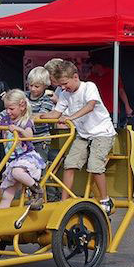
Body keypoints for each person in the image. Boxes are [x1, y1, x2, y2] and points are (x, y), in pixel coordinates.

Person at [40, 61, 116, 215]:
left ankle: (105, 199)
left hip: (102, 132)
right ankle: (64, 202)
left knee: (95, 165)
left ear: (75, 77)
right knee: (70, 164)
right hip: (83, 134)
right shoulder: (65, 94)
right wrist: (36, 116)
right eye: (60, 85)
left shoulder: (89, 87)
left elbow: (90, 106)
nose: (62, 87)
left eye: (65, 83)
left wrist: (70, 117)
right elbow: (55, 114)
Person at [0, 90, 46, 210]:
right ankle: (0, 218)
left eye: (11, 108)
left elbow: (29, 136)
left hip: (25, 157)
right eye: (6, 108)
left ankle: (37, 190)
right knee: (7, 195)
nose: (8, 111)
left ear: (22, 106)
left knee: (17, 172)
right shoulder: (6, 119)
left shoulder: (25, 120)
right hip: (12, 159)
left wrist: (18, 129)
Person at [0, 66, 55, 161]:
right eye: (30, 85)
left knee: (38, 164)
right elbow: (8, 111)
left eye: (36, 86)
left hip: (39, 140)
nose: (33, 89)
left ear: (45, 86)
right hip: (21, 141)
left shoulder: (46, 100)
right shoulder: (23, 96)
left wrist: (24, 116)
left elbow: (41, 116)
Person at [87, 56, 132, 121]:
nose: (90, 70)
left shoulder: (113, 73)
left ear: (98, 65)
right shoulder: (91, 78)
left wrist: (127, 106)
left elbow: (121, 91)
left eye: (91, 67)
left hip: (112, 110)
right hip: (97, 111)